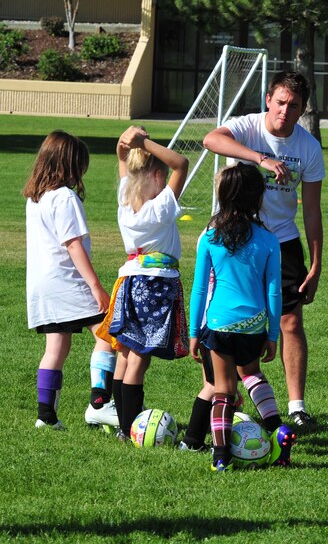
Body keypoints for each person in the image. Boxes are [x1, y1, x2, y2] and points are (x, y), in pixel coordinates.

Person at [203, 71, 324, 429]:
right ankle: (223, 394)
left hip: (283, 242)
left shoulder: (308, 148)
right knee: (223, 320)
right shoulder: (248, 126)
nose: (285, 111)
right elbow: (211, 139)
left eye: (294, 106)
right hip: (237, 239)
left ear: (302, 110)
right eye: (281, 102)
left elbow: (313, 210)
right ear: (269, 99)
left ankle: (297, 407)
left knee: (289, 320)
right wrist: (260, 158)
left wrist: (316, 263)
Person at [189, 163, 296, 471]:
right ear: (257, 198)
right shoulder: (268, 240)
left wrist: (195, 332)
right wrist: (273, 334)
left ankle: (220, 455)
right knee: (252, 374)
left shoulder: (210, 238)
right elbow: (275, 292)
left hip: (220, 324)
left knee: (223, 389)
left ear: (223, 195)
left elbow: (199, 290)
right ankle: (277, 427)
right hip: (254, 325)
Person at [95, 126, 189, 439]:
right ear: (154, 175)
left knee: (125, 353)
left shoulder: (126, 200)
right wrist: (144, 142)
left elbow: (123, 159)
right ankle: (131, 427)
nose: (165, 177)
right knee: (138, 357)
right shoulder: (160, 207)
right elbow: (182, 163)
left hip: (129, 282)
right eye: (161, 173)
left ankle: (124, 425)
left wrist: (126, 144)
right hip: (155, 284)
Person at [24, 130, 119, 431]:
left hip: (42, 284)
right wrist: (95, 286)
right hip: (67, 280)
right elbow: (73, 245)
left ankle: (46, 417)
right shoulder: (64, 197)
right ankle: (100, 403)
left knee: (56, 348)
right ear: (70, 164)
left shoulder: (35, 197)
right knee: (108, 333)